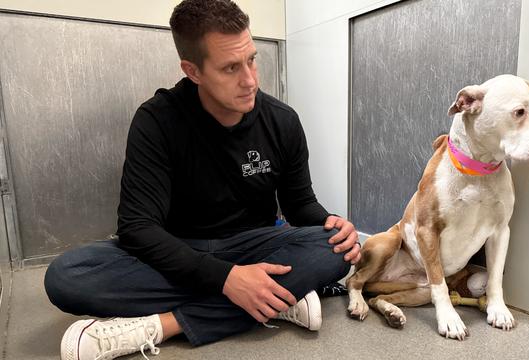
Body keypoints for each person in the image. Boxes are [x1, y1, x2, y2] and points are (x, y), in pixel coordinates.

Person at [44, 1, 361, 359]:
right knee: (66, 276)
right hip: (178, 249)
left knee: (333, 249)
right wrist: (226, 279)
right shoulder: (156, 121)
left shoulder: (282, 121)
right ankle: (275, 299)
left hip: (252, 245)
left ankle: (161, 325)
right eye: (230, 68)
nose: (250, 80)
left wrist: (329, 223)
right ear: (192, 71)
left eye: (252, 60)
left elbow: (299, 204)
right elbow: (137, 228)